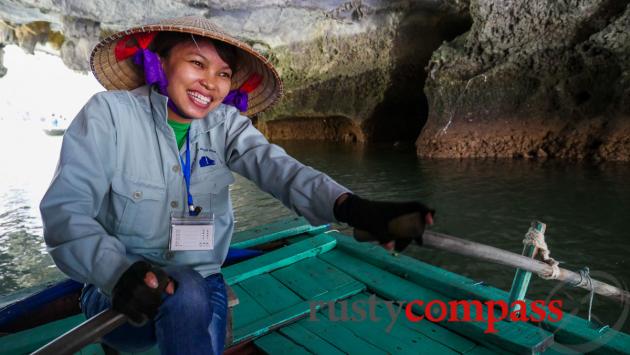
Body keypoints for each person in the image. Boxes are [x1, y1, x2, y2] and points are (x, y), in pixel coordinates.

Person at [40, 16, 435, 354]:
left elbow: (281, 171)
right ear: (159, 62)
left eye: (223, 74)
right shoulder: (108, 115)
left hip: (201, 285)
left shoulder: (226, 126)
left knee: (191, 287)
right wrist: (117, 272)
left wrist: (353, 208)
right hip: (118, 294)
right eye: (197, 63)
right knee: (185, 293)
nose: (210, 83)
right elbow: (65, 212)